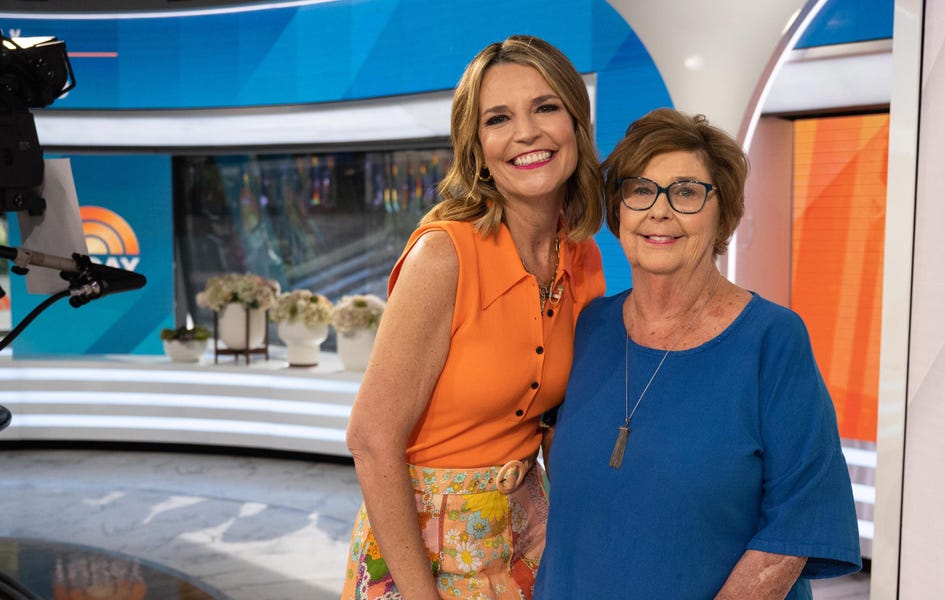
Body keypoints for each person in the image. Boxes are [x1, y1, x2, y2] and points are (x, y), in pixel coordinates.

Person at [535, 108, 861, 599]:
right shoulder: (589, 326)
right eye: (640, 190)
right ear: (619, 210)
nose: (659, 211)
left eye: (686, 192)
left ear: (722, 214)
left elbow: (794, 528)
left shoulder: (772, 340)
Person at [341, 35, 605, 600]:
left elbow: (557, 423)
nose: (526, 133)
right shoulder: (443, 256)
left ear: (576, 125)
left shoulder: (583, 256)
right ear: (477, 148)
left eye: (545, 107)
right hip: (421, 549)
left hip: (528, 537)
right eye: (498, 118)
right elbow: (370, 439)